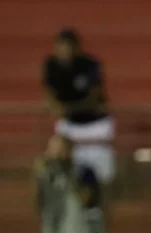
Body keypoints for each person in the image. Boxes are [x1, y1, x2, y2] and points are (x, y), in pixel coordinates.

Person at [43, 28, 115, 185]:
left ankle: (101, 201)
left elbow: (94, 97)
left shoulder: (90, 65)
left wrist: (67, 109)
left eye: (68, 47)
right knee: (62, 166)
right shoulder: (51, 66)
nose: (64, 52)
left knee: (102, 173)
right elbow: (49, 95)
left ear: (77, 48)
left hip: (95, 125)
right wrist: (55, 107)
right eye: (60, 47)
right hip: (69, 125)